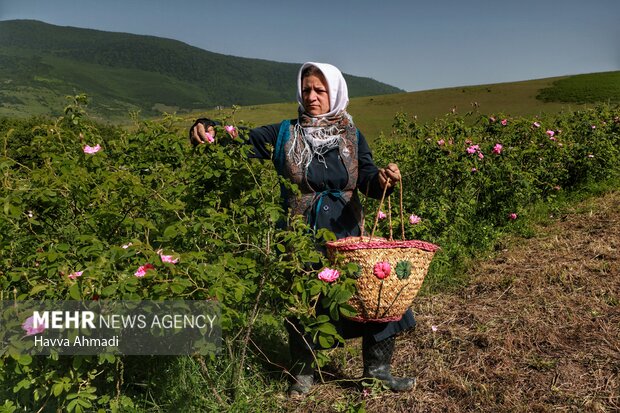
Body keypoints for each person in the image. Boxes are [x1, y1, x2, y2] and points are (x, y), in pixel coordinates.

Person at [190, 62, 416, 397]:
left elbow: (366, 178)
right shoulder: (284, 133)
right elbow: (241, 141)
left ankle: (378, 371)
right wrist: (209, 128)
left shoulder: (352, 135)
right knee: (303, 298)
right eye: (307, 89)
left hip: (346, 231)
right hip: (300, 232)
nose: (312, 96)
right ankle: (304, 373)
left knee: (374, 293)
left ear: (335, 93)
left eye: (320, 90)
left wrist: (382, 178)